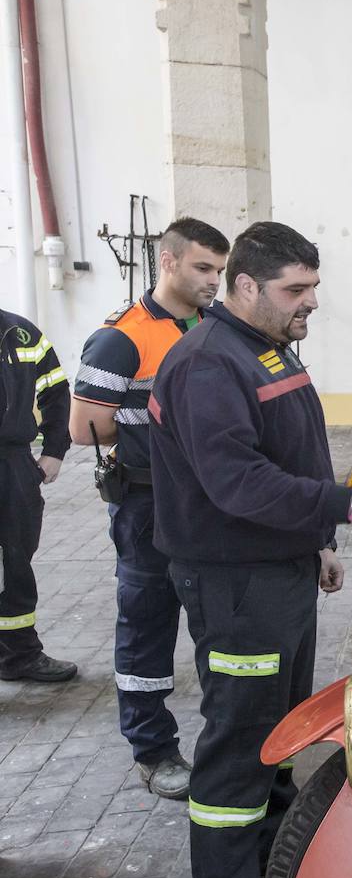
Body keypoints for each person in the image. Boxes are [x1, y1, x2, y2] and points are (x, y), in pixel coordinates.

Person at [148, 221, 352, 878]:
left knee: (276, 729)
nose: (312, 303)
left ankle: (274, 865)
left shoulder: (265, 347)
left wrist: (315, 540)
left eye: (314, 287)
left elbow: (282, 456)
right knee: (241, 739)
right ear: (244, 286)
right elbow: (236, 482)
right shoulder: (211, 362)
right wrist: (346, 505)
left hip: (277, 570)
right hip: (235, 583)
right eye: (296, 289)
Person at [69, 217, 229, 800]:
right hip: (147, 506)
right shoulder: (122, 338)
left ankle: (228, 740)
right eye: (202, 268)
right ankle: (153, 748)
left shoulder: (216, 326)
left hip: (211, 505)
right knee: (147, 624)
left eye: (219, 269)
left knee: (218, 619)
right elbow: (87, 427)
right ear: (167, 262)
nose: (214, 280)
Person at [0, 308, 75, 682]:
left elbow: (57, 391)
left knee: (16, 560)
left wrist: (54, 449)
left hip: (11, 464)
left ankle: (19, 655)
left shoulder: (20, 334)